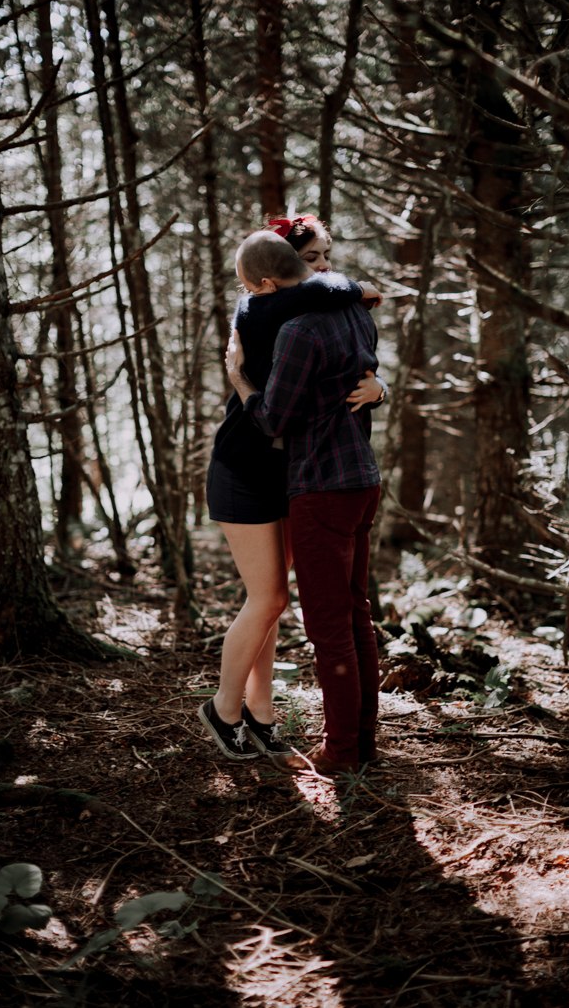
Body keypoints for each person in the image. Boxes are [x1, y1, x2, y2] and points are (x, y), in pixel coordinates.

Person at [198, 215, 385, 764]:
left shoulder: (315, 307)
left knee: (272, 601)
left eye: (327, 257)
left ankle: (261, 715)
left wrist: (379, 387)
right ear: (276, 276)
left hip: (297, 474)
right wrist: (355, 288)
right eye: (311, 260)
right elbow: (334, 295)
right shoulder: (263, 311)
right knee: (270, 599)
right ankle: (224, 710)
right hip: (246, 467)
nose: (323, 270)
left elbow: (349, 359)